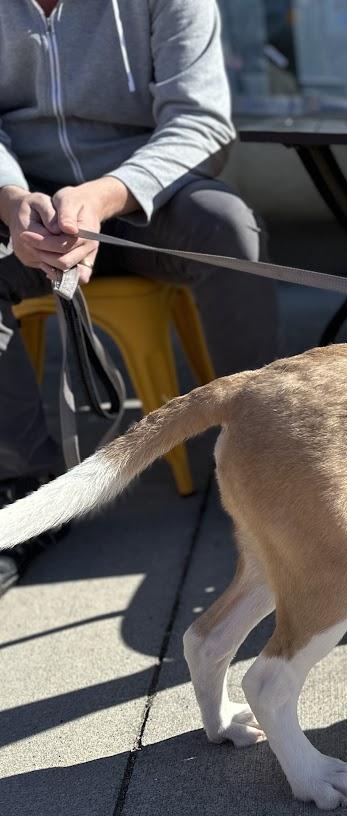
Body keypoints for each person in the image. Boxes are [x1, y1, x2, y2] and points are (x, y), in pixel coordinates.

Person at [0, 0, 280, 592]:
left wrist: (106, 196)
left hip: (151, 194)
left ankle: (270, 458)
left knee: (230, 230)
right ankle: (25, 491)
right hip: (24, 208)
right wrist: (11, 199)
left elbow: (201, 120)